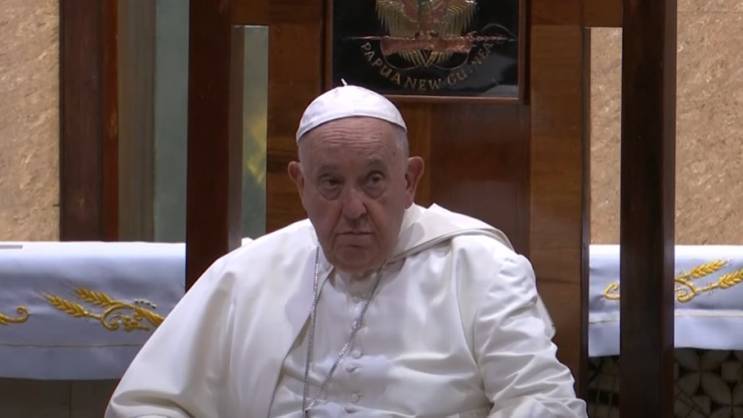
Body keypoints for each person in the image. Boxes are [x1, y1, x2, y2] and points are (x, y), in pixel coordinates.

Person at [106, 85, 587, 418]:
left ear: (409, 180)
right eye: (331, 184)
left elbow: (544, 400)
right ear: (300, 184)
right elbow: (144, 403)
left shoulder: (480, 268)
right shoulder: (247, 273)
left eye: (374, 180)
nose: (354, 209)